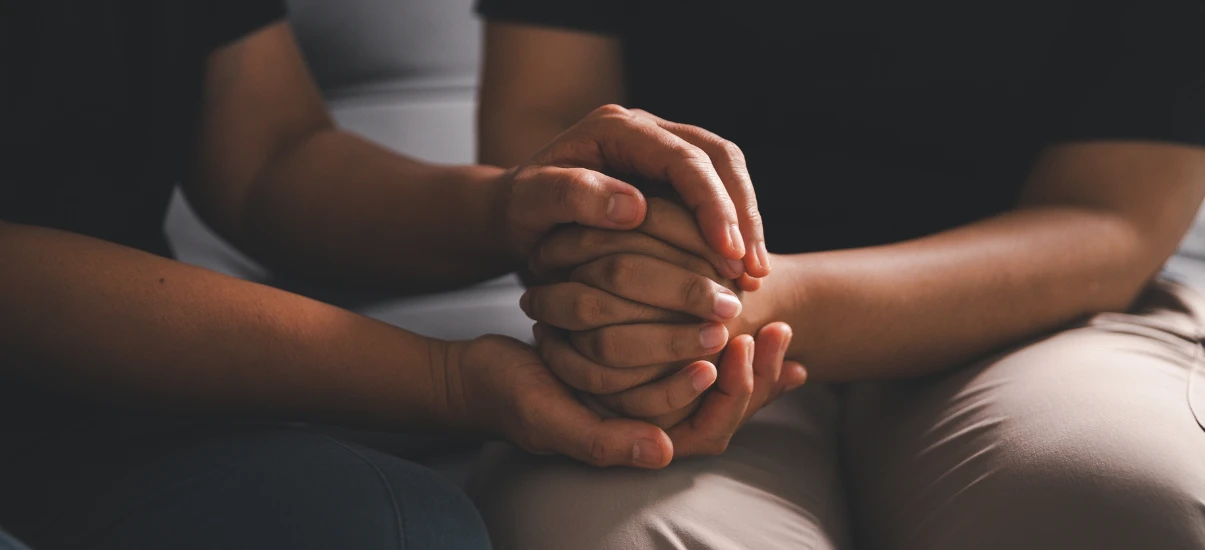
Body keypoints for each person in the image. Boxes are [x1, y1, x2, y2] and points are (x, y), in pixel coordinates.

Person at [0, 1, 795, 549]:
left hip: (99, 417)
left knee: (392, 529)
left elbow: (266, 158)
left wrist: (517, 206)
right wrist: (450, 381)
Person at [469, 0, 1205, 548]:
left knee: (1122, 497)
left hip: (1032, 320)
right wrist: (632, 277)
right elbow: (543, 120)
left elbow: (1111, 220)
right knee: (620, 536)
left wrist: (735, 303)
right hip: (671, 325)